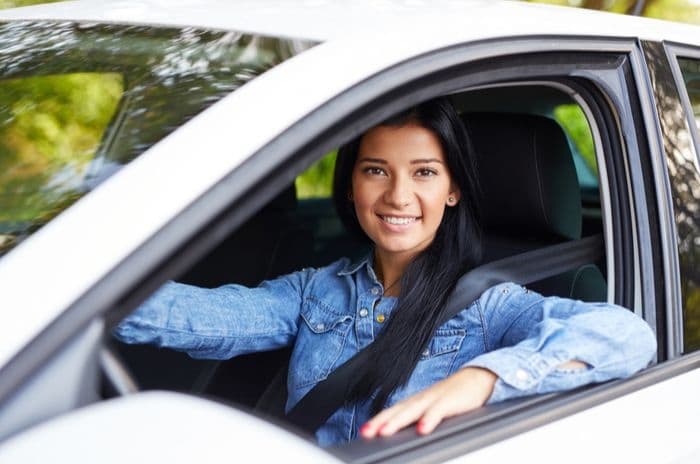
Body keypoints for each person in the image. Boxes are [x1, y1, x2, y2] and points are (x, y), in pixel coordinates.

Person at [113, 97, 657, 447]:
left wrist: (482, 379)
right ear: (350, 187)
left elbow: (627, 336)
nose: (399, 195)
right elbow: (197, 318)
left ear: (453, 190)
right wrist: (74, 298)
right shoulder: (315, 292)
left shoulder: (489, 308)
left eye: (424, 172)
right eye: (376, 170)